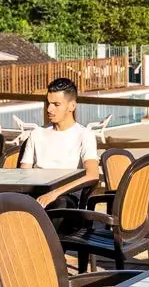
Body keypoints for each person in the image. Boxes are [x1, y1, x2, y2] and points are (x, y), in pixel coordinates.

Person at [19, 78, 99, 207]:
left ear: (72, 106)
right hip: (37, 193)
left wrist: (54, 193)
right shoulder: (37, 133)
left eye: (56, 104)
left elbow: (92, 175)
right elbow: (23, 174)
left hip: (67, 197)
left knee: (58, 204)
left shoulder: (84, 135)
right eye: (48, 103)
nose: (49, 109)